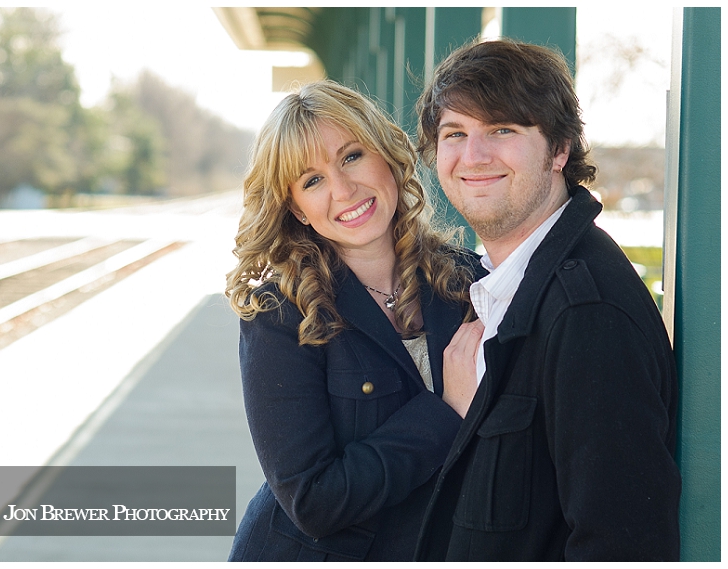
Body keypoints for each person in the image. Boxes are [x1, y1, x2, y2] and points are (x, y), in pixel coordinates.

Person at [412, 38, 681, 561]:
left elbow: (621, 544)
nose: (474, 156)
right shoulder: (507, 286)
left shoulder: (586, 315)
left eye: (502, 130)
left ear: (560, 150)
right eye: (455, 134)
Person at [225, 80, 481, 561]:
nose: (343, 190)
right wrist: (444, 412)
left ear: (385, 155)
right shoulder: (281, 316)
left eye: (351, 157)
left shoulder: (467, 282)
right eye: (312, 180)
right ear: (296, 209)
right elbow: (313, 501)